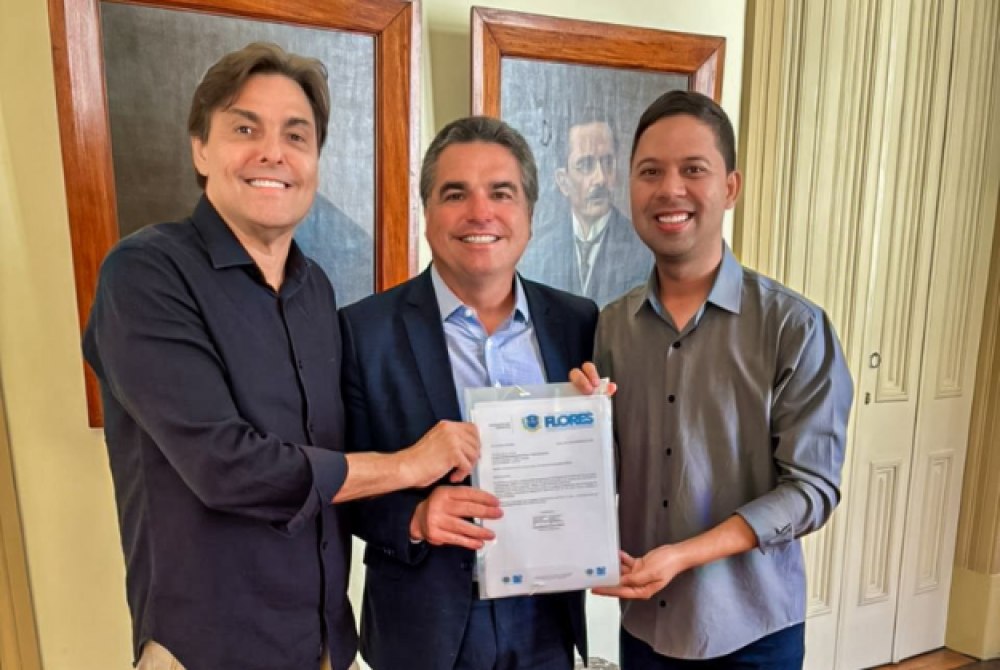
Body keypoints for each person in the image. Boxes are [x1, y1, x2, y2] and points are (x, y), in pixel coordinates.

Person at [83, 43, 479, 670]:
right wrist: (409, 465)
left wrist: (420, 507)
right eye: (245, 129)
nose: (273, 153)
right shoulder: (146, 274)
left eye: (296, 136)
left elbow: (337, 457)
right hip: (208, 650)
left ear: (315, 160)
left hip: (323, 643)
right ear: (200, 149)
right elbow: (227, 467)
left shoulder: (315, 289)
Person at [571, 90, 853, 668]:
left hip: (753, 631)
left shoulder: (794, 327)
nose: (670, 189)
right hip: (644, 629)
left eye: (693, 169)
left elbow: (812, 490)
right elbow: (610, 474)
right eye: (651, 172)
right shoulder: (612, 327)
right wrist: (578, 429)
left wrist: (684, 555)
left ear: (730, 187)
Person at [340, 116, 595, 670]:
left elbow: (603, 467)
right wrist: (414, 517)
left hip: (546, 621)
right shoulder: (364, 331)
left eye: (501, 193)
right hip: (422, 627)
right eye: (455, 194)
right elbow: (341, 484)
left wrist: (599, 423)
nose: (480, 212)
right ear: (427, 214)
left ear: (529, 214)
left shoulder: (578, 323)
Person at [520, 116, 651, 307]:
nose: (600, 178)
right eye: (586, 165)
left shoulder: (643, 250)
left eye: (607, 162)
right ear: (563, 181)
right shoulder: (541, 252)